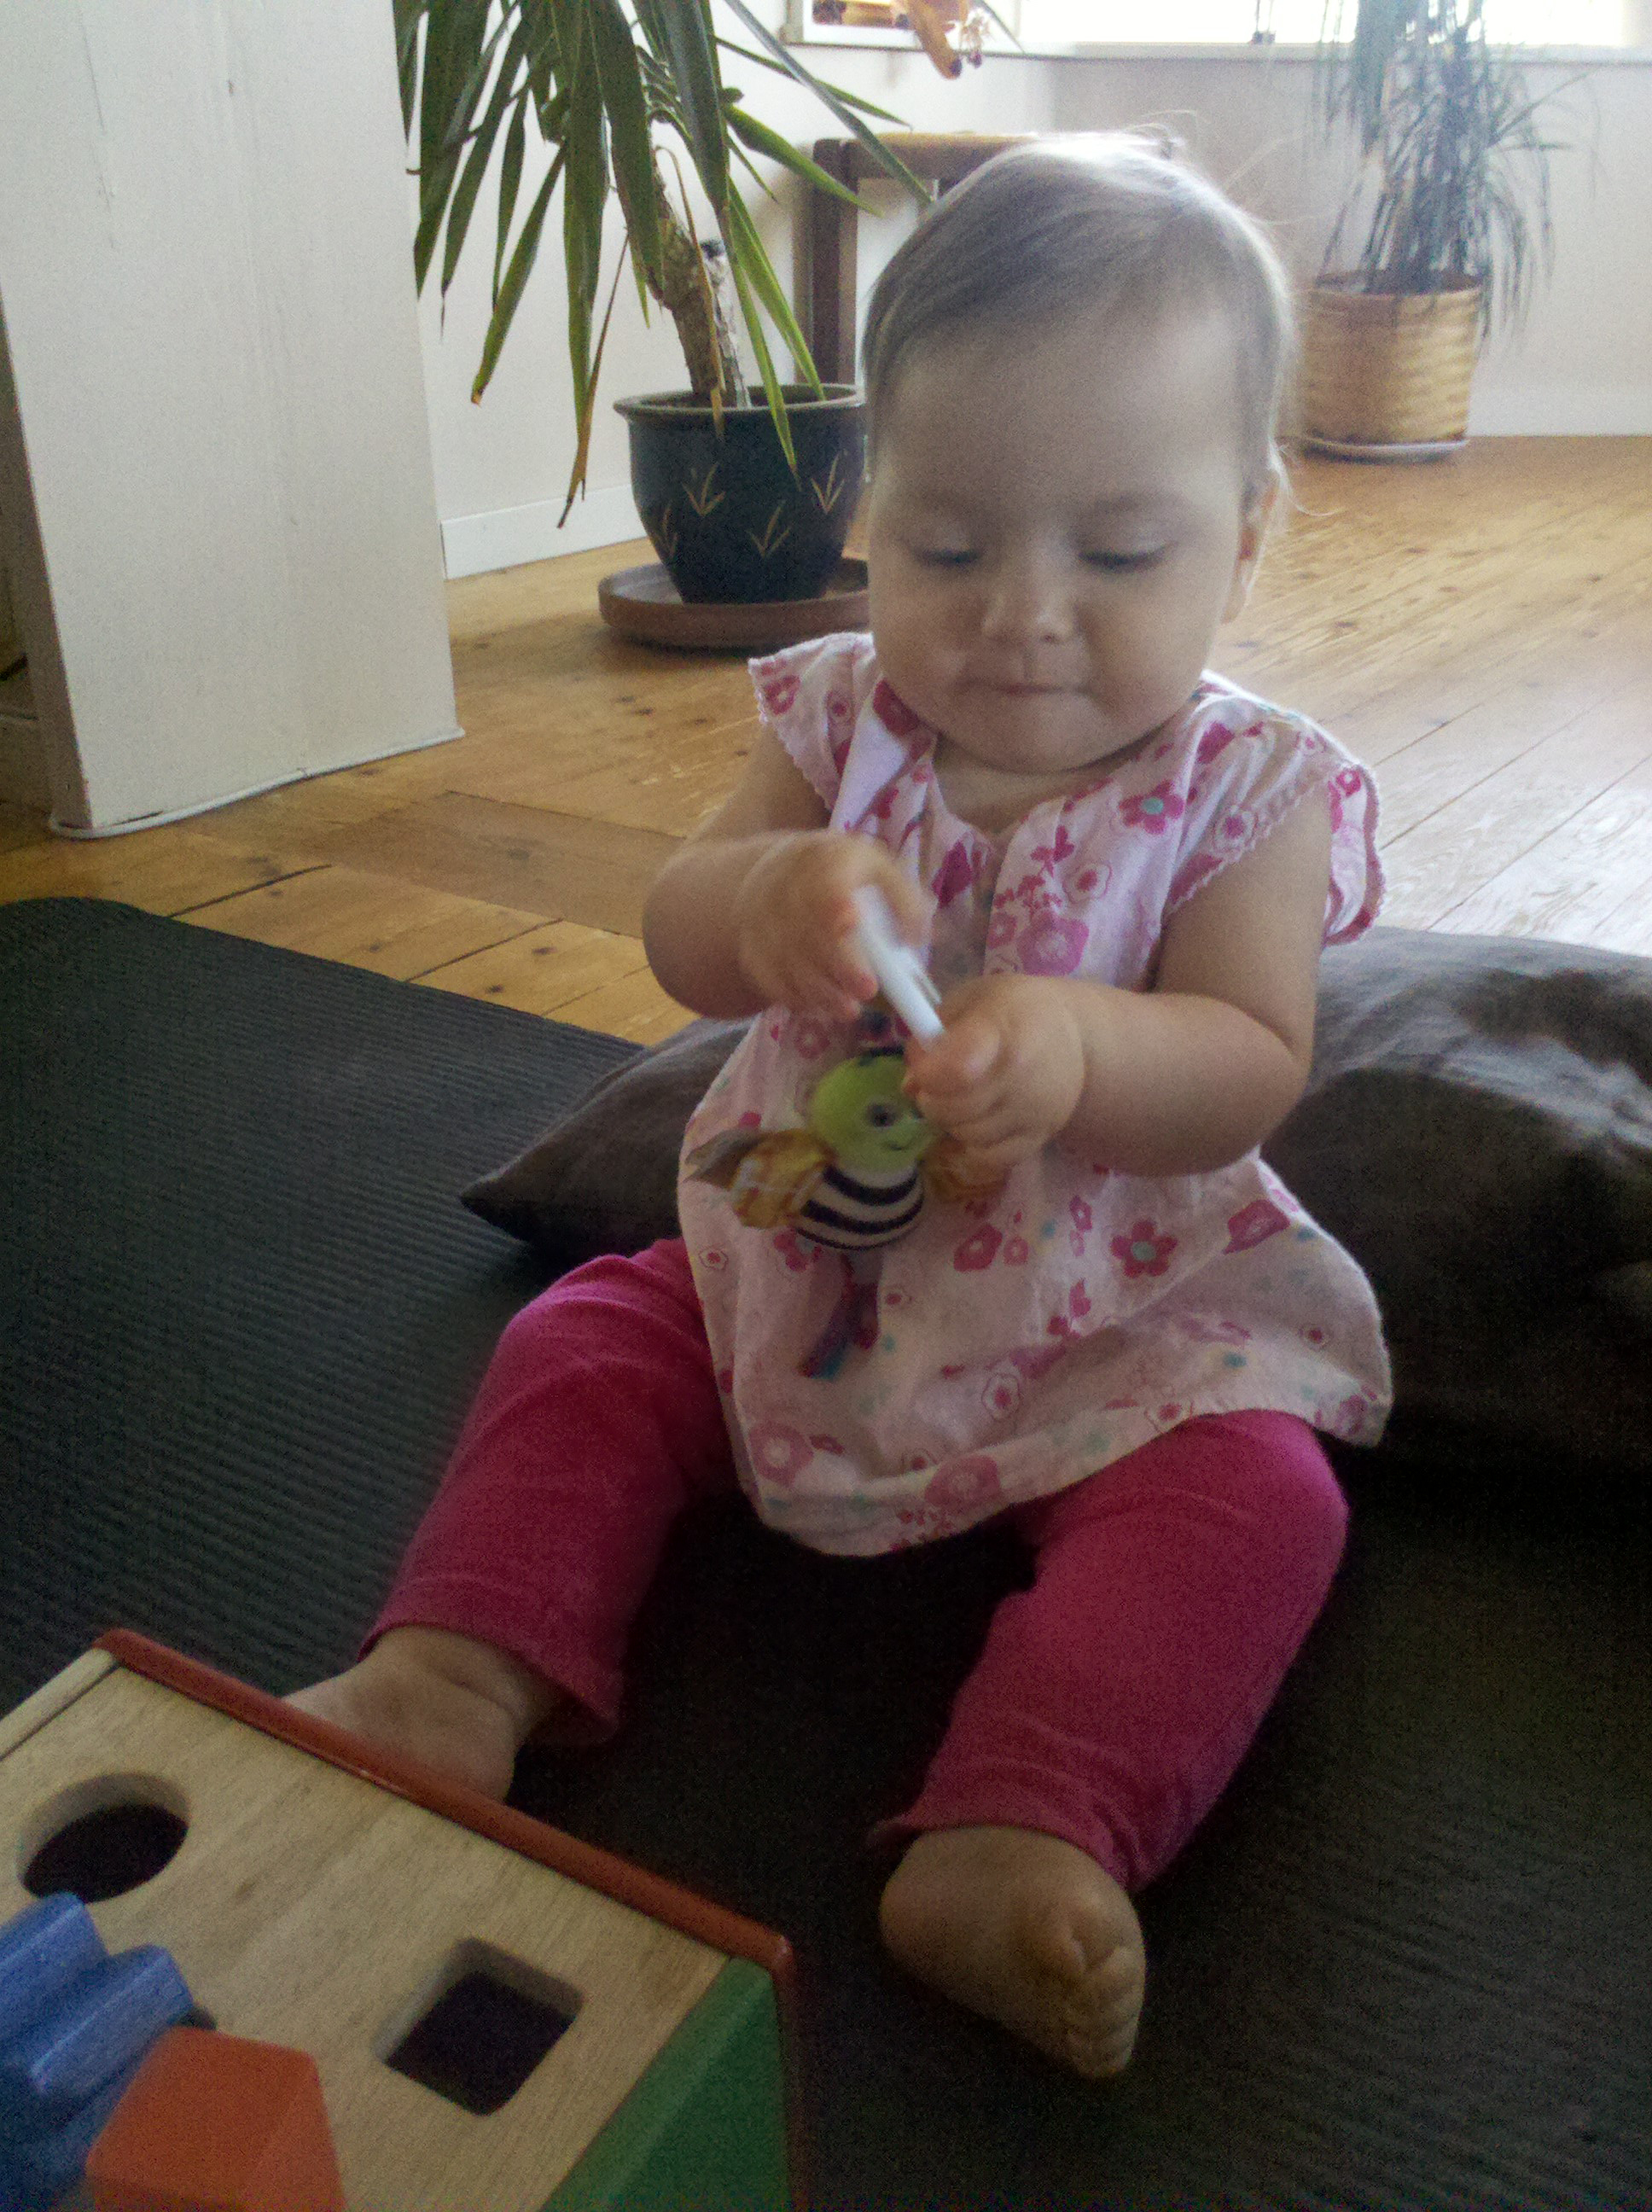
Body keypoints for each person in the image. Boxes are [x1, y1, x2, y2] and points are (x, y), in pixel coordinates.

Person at [293, 135, 1390, 2080]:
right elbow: (675, 930)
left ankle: (1028, 1821)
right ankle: (455, 1670)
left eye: (1116, 555)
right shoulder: (834, 721)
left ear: (1244, 535)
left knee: (1261, 1498)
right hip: (796, 1283)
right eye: (948, 548)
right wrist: (759, 903)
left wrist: (1080, 1052)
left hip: (1115, 1329)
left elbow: (1247, 1056)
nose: (1021, 615)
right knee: (585, 1341)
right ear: (869, 508)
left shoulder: (1247, 791)